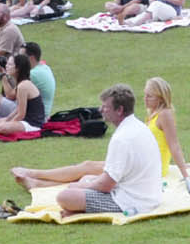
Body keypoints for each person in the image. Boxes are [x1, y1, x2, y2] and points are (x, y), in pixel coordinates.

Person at [11, 84, 163, 217]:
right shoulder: (137, 127)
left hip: (132, 201)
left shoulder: (122, 138)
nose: (101, 110)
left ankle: (38, 182)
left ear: (119, 110)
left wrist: (81, 186)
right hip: (146, 194)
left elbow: (106, 185)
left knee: (66, 196)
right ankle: (37, 180)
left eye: (106, 107)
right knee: (86, 176)